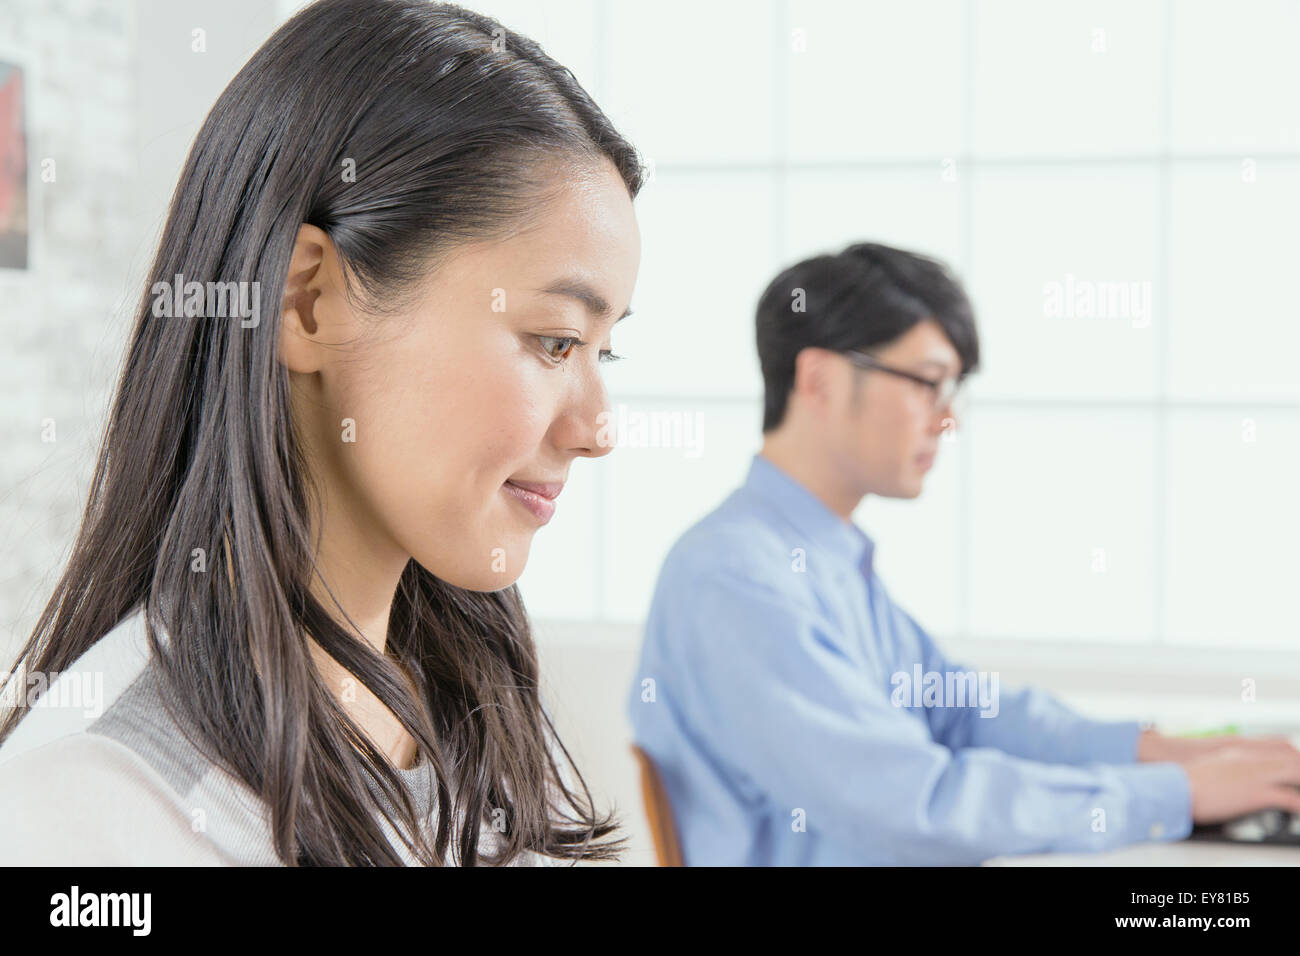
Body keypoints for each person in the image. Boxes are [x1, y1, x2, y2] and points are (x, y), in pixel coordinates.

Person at [0, 0, 642, 866]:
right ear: (307, 300)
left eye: (607, 351)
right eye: (555, 341)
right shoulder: (87, 807)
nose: (599, 430)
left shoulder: (474, 708)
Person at [626, 241, 1300, 865]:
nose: (950, 419)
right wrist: (1177, 794)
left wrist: (1160, 752)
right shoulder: (735, 577)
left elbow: (963, 713)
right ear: (820, 378)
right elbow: (912, 805)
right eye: (928, 382)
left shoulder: (820, 558)